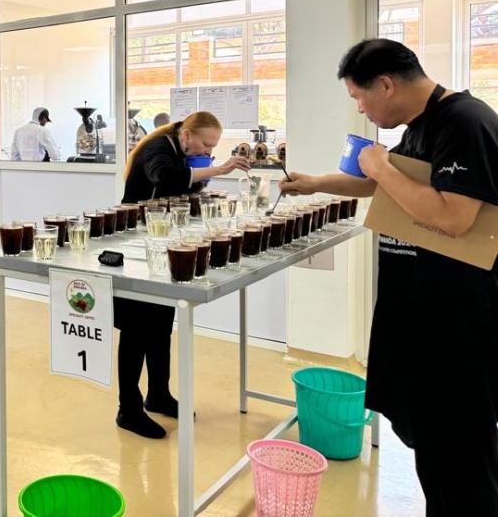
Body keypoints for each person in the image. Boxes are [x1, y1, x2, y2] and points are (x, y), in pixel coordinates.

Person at [280, 38, 498, 515]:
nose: (361, 109)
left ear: (385, 84)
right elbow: (380, 183)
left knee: (462, 449)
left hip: (458, 319)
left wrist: (379, 164)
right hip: (419, 312)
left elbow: (454, 215)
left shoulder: (465, 121)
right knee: (434, 449)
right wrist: (314, 183)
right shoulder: (421, 127)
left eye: (360, 98)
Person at [116, 112, 250, 438]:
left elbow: (179, 188)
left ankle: (158, 394)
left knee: (161, 322)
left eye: (214, 147)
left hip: (162, 240)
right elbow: (166, 177)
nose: (208, 150)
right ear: (187, 135)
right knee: (136, 326)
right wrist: (217, 170)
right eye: (206, 143)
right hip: (136, 241)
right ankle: (128, 409)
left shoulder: (181, 149)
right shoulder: (158, 148)